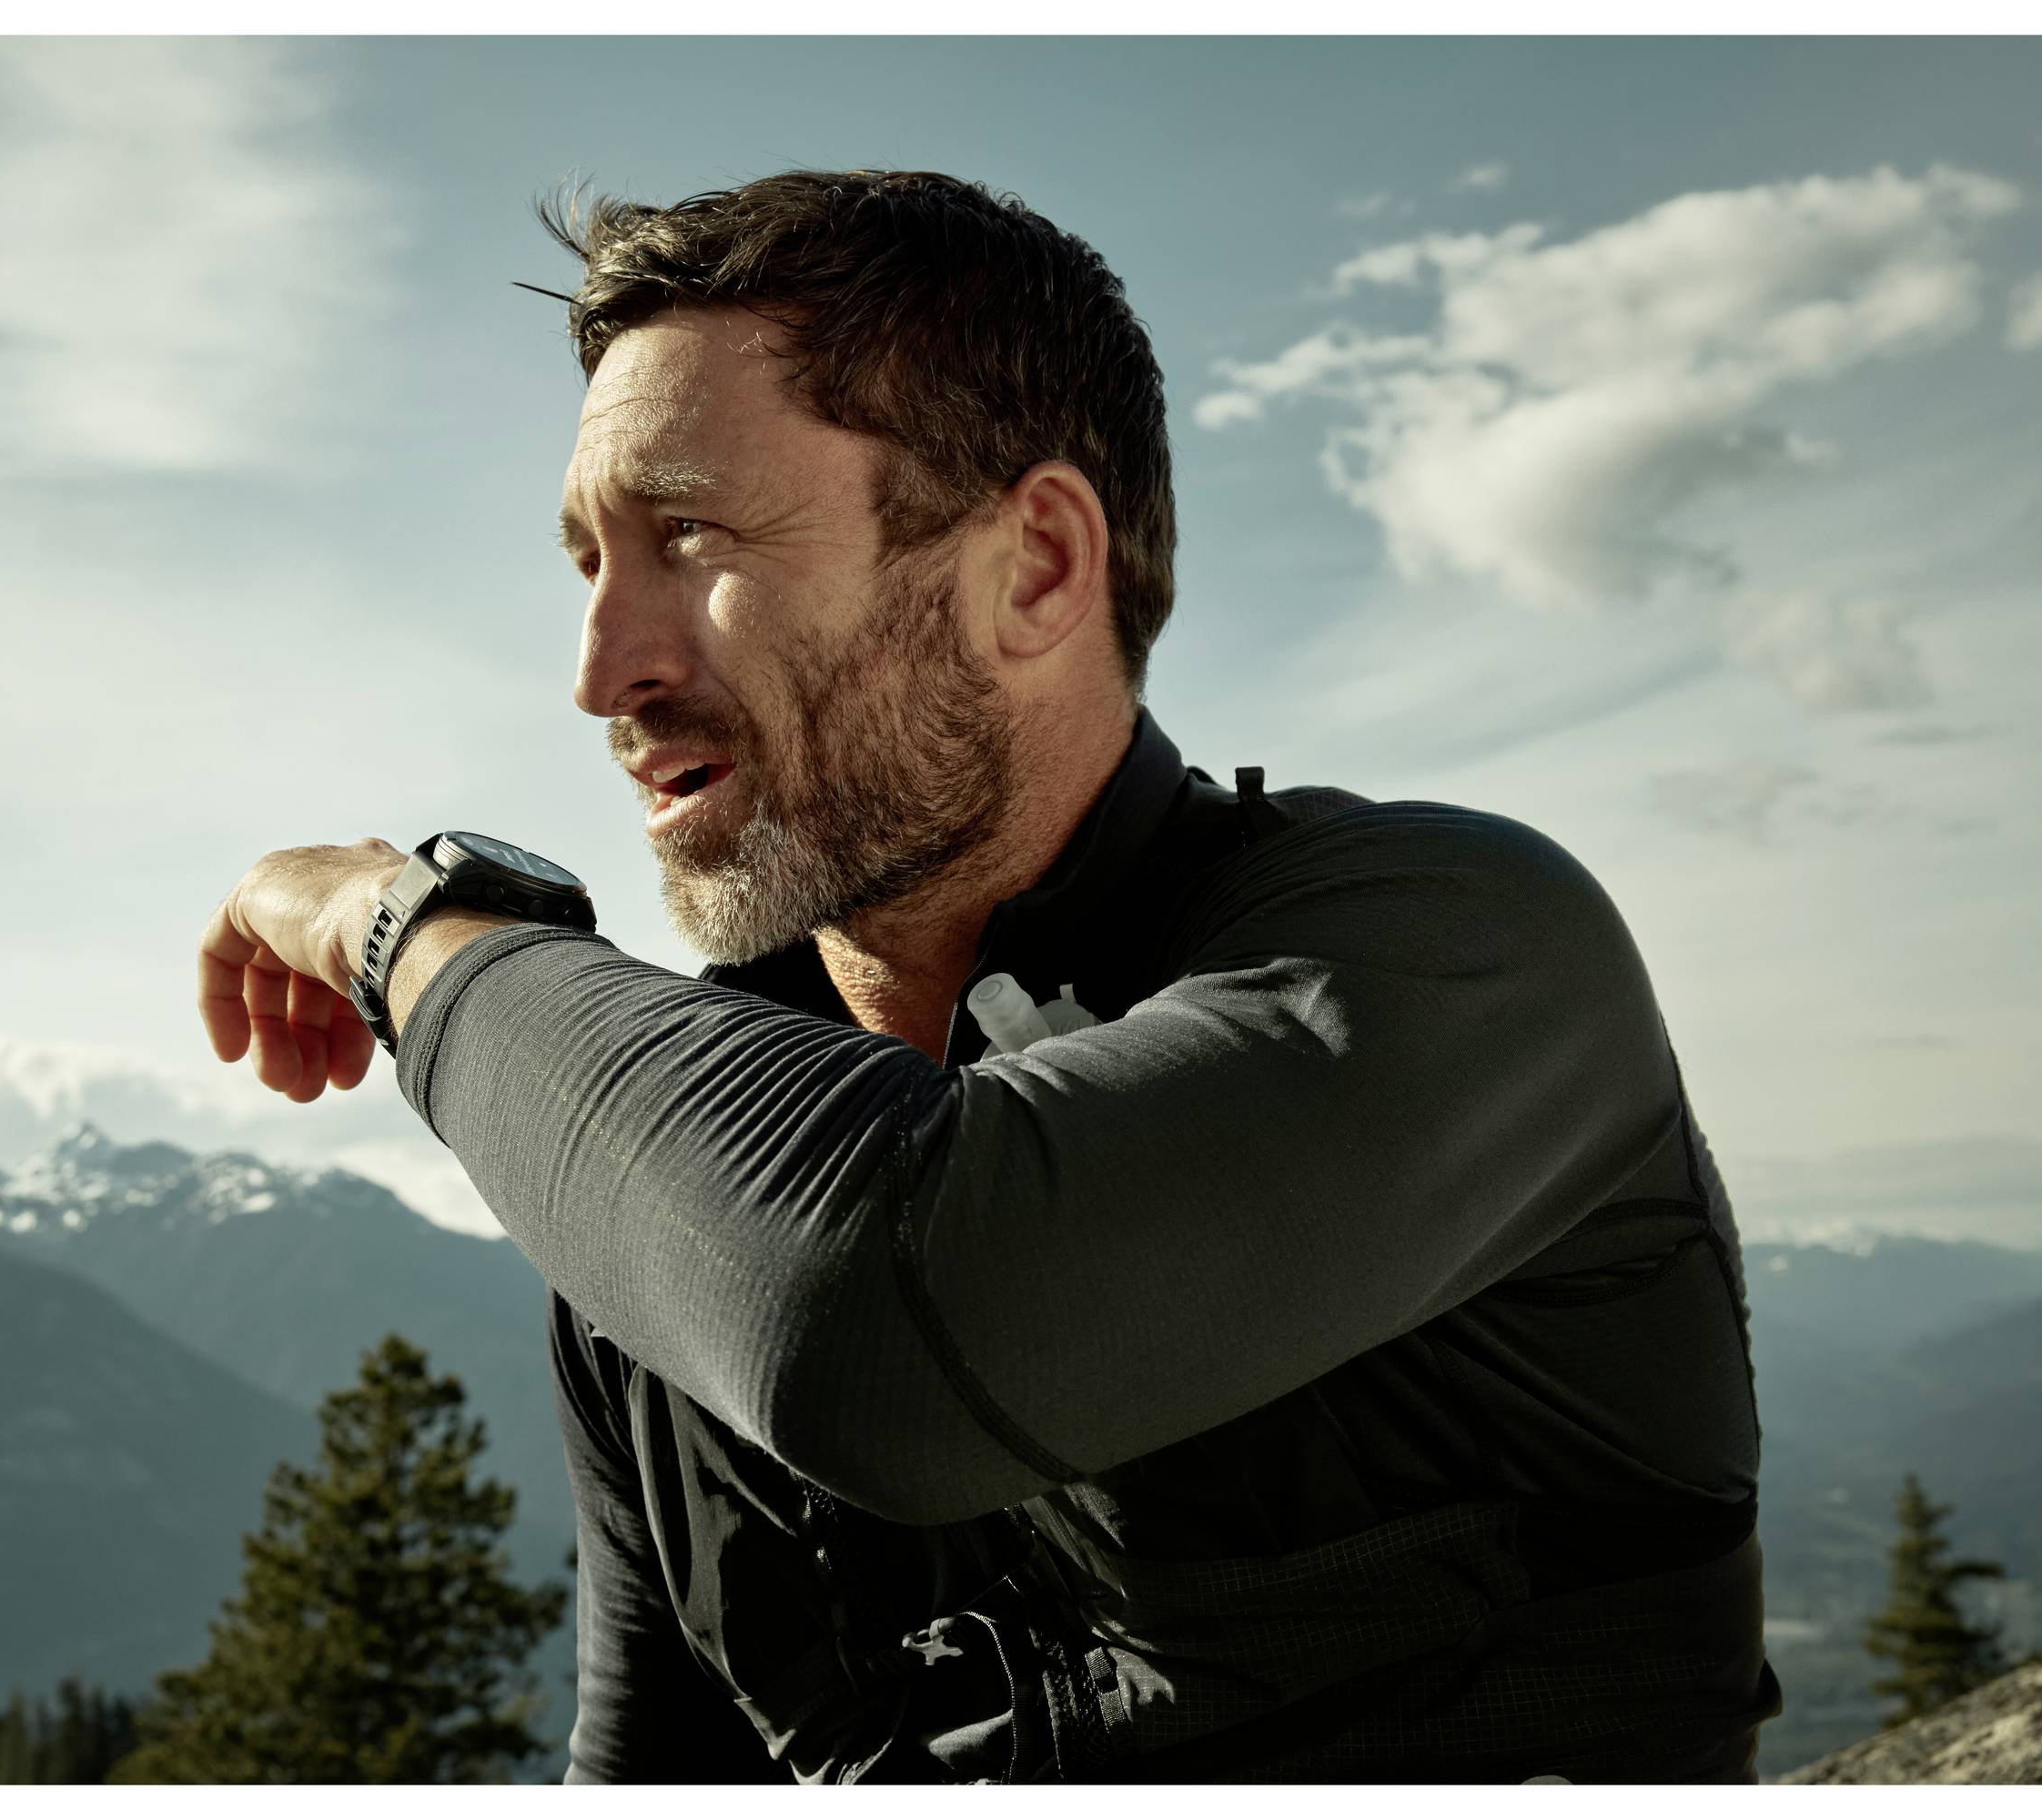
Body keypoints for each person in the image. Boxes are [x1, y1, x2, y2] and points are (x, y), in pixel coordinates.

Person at [194, 168, 1783, 1785]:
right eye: (588, 564)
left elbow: (865, 1317)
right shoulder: (667, 1175)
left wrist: (407, 926)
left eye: (690, 534)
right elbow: (653, 1761)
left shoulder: (1462, 954)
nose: (606, 670)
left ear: (1033, 567)